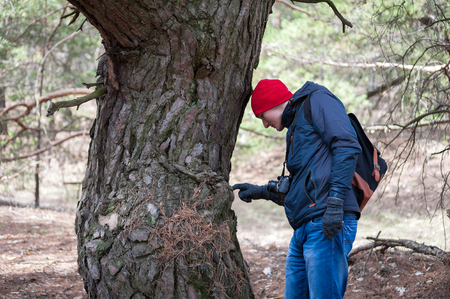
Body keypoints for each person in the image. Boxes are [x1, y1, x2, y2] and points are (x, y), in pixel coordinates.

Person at [233, 79, 362, 299]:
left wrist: (334, 205)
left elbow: (347, 145)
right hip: (304, 228)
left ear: (273, 104)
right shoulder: (294, 126)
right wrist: (261, 191)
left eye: (262, 117)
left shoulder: (317, 100)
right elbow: (305, 183)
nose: (265, 125)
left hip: (325, 222)